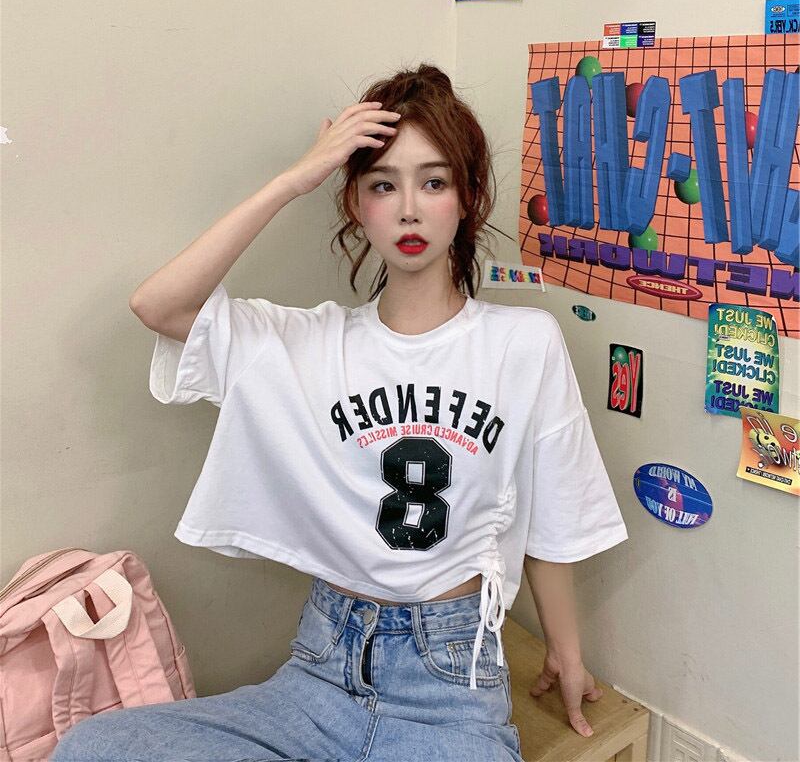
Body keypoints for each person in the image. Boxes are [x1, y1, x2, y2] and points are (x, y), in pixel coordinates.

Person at [51, 64, 628, 762]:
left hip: (450, 690)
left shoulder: (523, 343)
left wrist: (567, 652)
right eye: (383, 185)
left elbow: (553, 515)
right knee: (95, 748)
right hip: (320, 672)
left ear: (468, 198)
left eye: (434, 182)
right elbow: (158, 304)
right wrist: (295, 180)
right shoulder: (306, 342)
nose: (409, 209)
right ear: (356, 203)